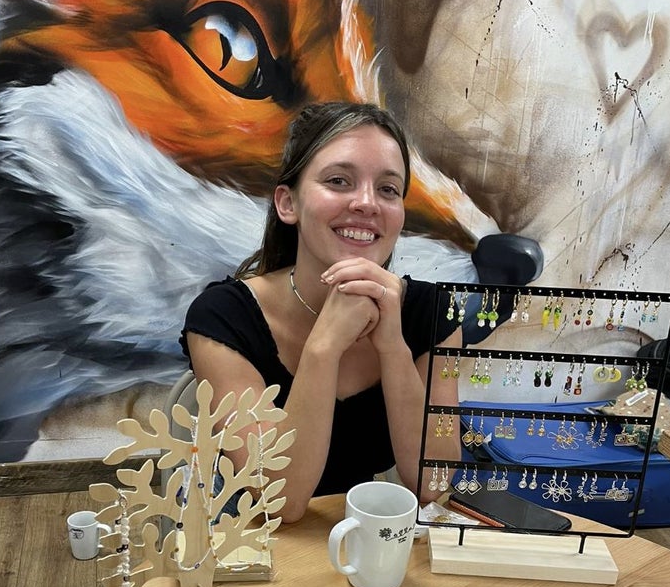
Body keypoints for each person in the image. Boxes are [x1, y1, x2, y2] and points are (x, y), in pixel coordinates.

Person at [180, 101, 462, 522]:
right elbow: (279, 502)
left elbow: (433, 484)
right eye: (338, 181)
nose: (367, 203)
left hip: (355, 525)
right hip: (245, 527)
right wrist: (324, 347)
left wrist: (393, 348)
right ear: (288, 204)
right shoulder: (223, 318)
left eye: (388, 189)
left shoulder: (433, 314)